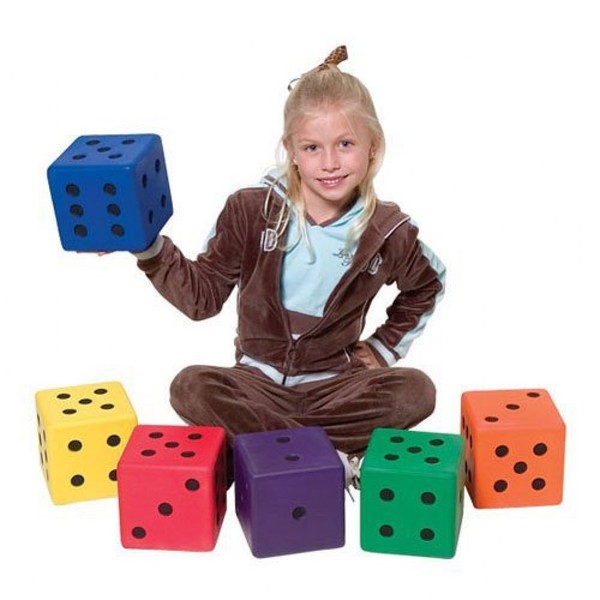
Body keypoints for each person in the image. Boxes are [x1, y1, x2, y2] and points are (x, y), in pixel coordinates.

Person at [133, 46, 445, 490]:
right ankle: (330, 460)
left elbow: (428, 284)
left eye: (345, 144)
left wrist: (382, 349)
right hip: (256, 384)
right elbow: (201, 300)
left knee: (416, 391)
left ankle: (264, 449)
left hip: (334, 388)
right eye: (312, 147)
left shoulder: (387, 230)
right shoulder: (249, 210)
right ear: (291, 150)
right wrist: (148, 248)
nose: (330, 162)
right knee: (191, 386)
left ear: (372, 146)